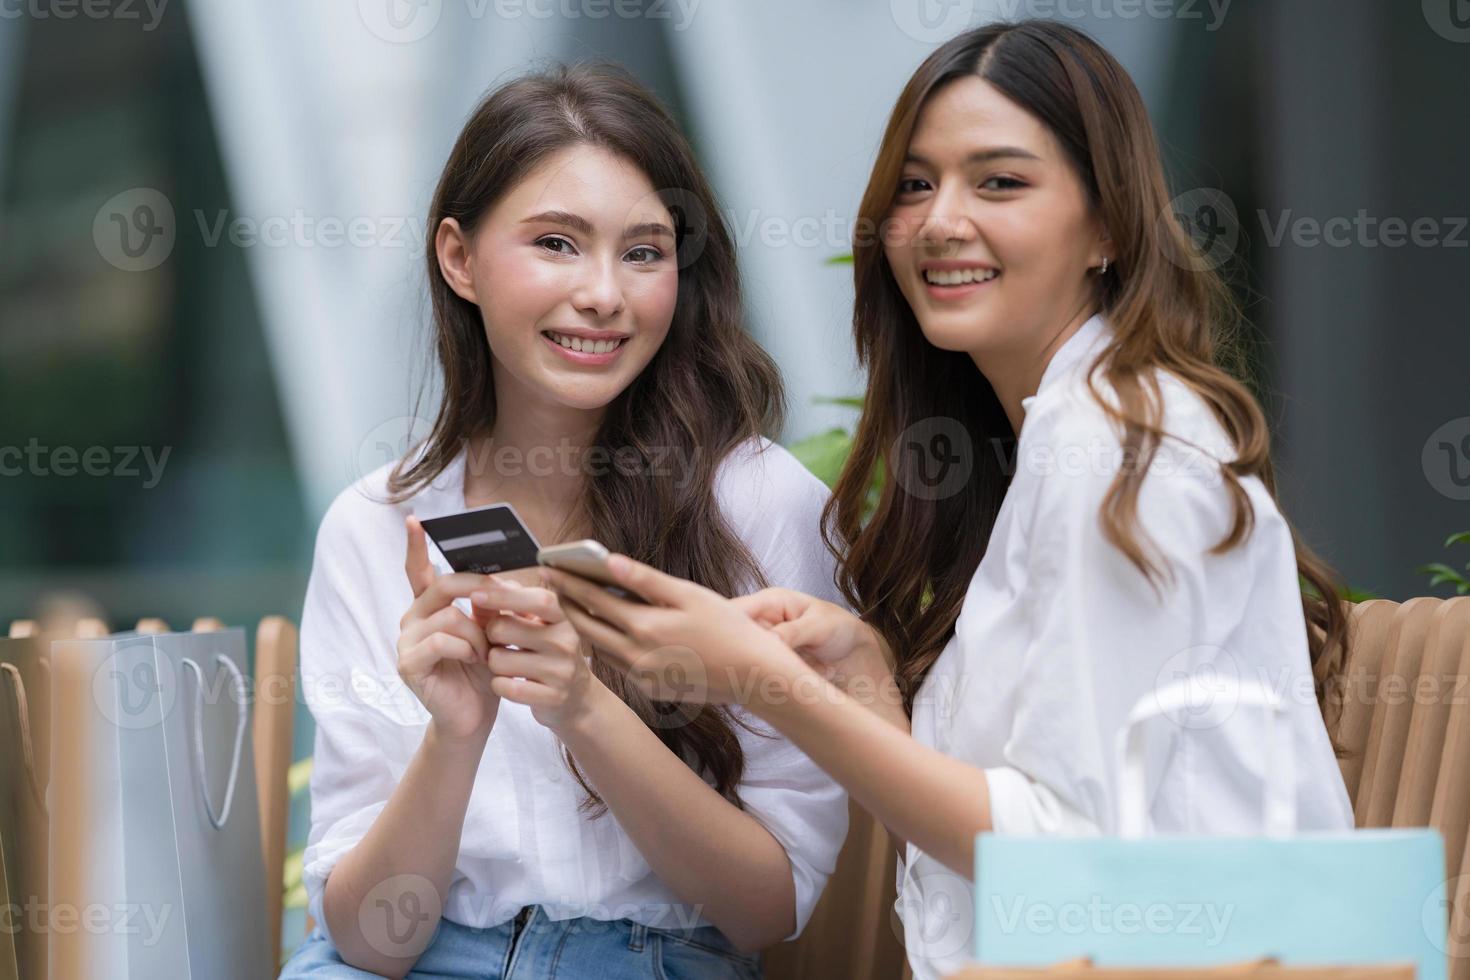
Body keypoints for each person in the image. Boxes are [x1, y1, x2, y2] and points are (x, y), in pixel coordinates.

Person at [543, 22, 1356, 980]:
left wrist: (771, 688)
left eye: (1000, 182)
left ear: (1107, 226)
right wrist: (863, 683)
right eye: (916, 184)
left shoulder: (1121, 449)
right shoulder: (1057, 440)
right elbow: (1007, 825)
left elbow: (1061, 864)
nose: (938, 221)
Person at [280, 63, 847, 980]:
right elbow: (368, 941)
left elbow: (763, 911)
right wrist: (455, 736)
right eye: (556, 243)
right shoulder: (376, 526)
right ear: (458, 258)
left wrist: (583, 707)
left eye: (644, 251)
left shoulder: (758, 505)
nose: (603, 295)